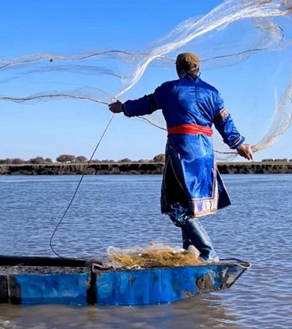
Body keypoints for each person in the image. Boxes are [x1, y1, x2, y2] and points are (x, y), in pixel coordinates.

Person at [108, 52, 254, 263]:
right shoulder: (213, 93)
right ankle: (190, 255)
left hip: (181, 151)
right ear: (198, 68)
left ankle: (207, 254)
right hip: (205, 154)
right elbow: (225, 123)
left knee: (176, 209)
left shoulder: (169, 89)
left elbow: (145, 105)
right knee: (189, 207)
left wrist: (122, 108)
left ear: (179, 69)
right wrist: (239, 144)